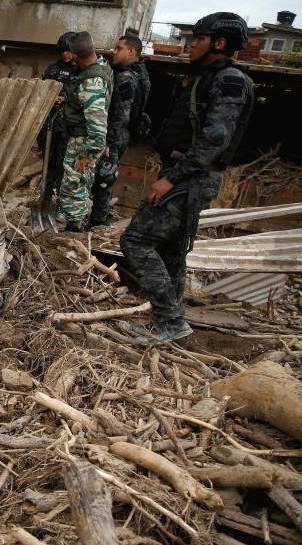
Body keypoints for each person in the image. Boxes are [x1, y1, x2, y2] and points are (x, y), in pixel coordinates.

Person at [120, 12, 254, 344]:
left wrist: (172, 178)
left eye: (198, 39)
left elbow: (215, 139)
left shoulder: (229, 80)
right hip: (186, 176)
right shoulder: (208, 77)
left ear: (219, 43)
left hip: (189, 179)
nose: (191, 46)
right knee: (171, 251)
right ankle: (169, 323)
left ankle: (170, 320)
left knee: (135, 241)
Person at [89, 34, 151, 228]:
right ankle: (102, 213)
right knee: (107, 175)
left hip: (117, 134)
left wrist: (109, 142)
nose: (114, 52)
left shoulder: (125, 77)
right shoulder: (141, 74)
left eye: (118, 48)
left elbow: (122, 115)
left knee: (104, 177)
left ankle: (98, 221)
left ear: (131, 51)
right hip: (123, 133)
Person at [55, 31, 112, 232]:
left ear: (76, 55)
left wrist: (89, 155)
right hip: (83, 140)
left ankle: (74, 230)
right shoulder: (101, 67)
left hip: (84, 142)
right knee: (76, 184)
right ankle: (74, 222)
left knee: (74, 185)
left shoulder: (92, 81)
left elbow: (97, 123)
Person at [39, 31, 80, 203]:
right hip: (51, 125)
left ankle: (61, 201)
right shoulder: (53, 69)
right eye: (62, 50)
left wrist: (67, 99)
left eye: (68, 50)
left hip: (69, 127)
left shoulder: (81, 71)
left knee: (65, 164)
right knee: (48, 161)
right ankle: (45, 195)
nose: (65, 54)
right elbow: (41, 91)